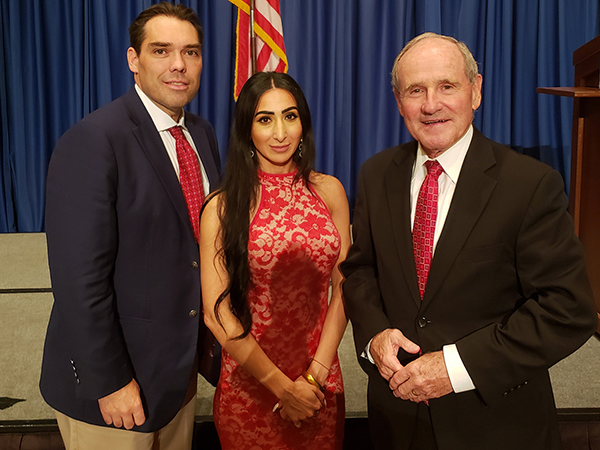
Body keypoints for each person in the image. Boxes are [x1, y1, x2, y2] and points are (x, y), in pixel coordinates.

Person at [341, 32, 597, 450]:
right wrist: (373, 336)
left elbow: (568, 310)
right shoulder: (376, 174)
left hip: (496, 425)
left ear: (475, 91)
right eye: (415, 90)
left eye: (447, 86)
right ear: (398, 100)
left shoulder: (530, 185)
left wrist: (455, 368)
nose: (430, 104)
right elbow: (361, 270)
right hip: (398, 418)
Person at [39, 3, 221, 449]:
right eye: (161, 50)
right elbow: (78, 280)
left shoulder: (201, 133)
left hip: (177, 378)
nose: (179, 65)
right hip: (116, 393)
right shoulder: (94, 140)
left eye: (191, 52)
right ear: (133, 60)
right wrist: (109, 381)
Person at [200, 71, 350, 449]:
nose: (280, 132)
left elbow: (345, 286)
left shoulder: (330, 191)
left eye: (291, 115)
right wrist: (283, 388)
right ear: (246, 129)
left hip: (319, 385)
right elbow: (216, 315)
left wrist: (314, 377)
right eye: (265, 119)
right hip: (250, 391)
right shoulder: (222, 206)